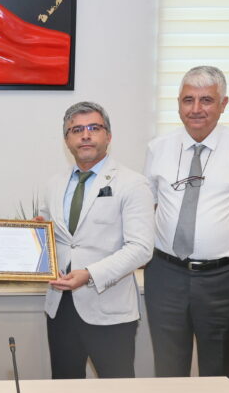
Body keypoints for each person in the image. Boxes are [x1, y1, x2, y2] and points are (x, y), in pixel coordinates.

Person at [143, 65, 229, 377]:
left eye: (206, 100)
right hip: (165, 274)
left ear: (223, 104)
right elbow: (151, 205)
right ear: (178, 104)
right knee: (168, 368)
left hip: (223, 279)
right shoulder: (158, 148)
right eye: (188, 100)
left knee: (218, 370)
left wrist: (219, 240)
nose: (196, 109)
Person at [40, 102, 154, 378]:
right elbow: (49, 236)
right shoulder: (54, 184)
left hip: (109, 308)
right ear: (67, 140)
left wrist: (89, 274)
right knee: (64, 390)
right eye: (76, 130)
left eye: (94, 128)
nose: (86, 135)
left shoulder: (133, 183)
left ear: (108, 136)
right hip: (60, 307)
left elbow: (141, 248)